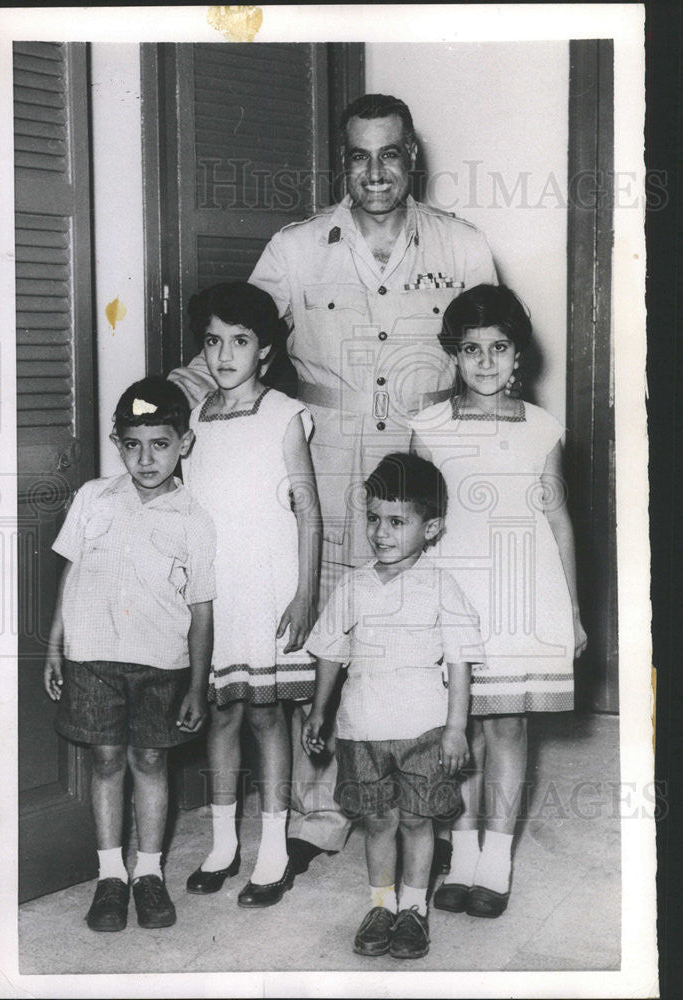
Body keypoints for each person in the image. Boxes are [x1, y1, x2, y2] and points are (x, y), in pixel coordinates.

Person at [169, 93, 497, 873]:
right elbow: (234, 342)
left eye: (390, 154)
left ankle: (436, 806)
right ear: (340, 161)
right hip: (326, 458)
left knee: (430, 625)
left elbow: (496, 347)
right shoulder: (296, 248)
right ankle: (318, 815)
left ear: (412, 156)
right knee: (326, 626)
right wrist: (167, 406)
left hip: (428, 456)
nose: (375, 171)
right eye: (359, 155)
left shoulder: (461, 245)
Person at [410, 284, 588, 918]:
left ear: (519, 357)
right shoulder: (427, 427)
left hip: (522, 596)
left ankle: (497, 858)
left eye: (499, 348)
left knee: (507, 726)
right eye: (470, 350)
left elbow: (559, 519)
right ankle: (461, 852)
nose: (485, 362)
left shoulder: (543, 428)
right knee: (458, 735)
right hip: (455, 599)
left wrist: (569, 610)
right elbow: (413, 520)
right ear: (454, 357)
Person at [43, 377, 216, 932]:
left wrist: (195, 682)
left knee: (150, 761)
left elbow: (202, 608)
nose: (146, 458)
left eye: (160, 444)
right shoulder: (94, 497)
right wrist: (55, 645)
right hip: (91, 656)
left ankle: (149, 873)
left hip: (161, 664)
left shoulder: (194, 519)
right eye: (133, 444)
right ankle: (110, 875)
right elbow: (69, 574)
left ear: (183, 444)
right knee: (107, 761)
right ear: (118, 443)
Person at [301, 453, 484, 960]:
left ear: (432, 528)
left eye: (397, 522)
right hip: (362, 727)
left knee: (417, 821)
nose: (381, 533)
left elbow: (461, 661)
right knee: (378, 821)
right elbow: (332, 652)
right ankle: (381, 904)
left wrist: (455, 728)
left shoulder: (440, 585)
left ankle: (413, 910)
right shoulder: (353, 585)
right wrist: (319, 710)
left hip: (423, 728)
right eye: (374, 519)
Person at [181, 282, 322, 908]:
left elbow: (310, 514)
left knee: (267, 714)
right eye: (213, 341)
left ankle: (272, 848)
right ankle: (221, 844)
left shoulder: (283, 414)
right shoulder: (195, 418)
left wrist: (305, 594)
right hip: (216, 588)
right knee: (222, 712)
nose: (224, 354)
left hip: (268, 584)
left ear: (264, 349)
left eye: (240, 341)